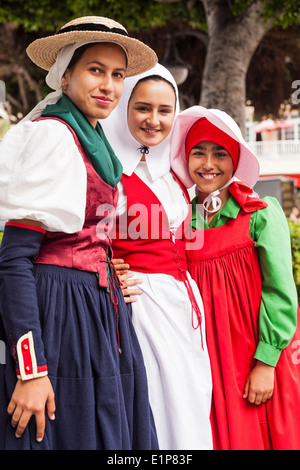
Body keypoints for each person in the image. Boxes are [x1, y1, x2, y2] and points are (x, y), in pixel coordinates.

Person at [0, 16, 159, 450]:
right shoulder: (53, 135)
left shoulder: (95, 141)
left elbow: (86, 237)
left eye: (118, 74)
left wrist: (108, 269)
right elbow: (14, 260)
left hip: (98, 313)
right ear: (65, 75)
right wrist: (30, 369)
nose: (108, 84)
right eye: (95, 70)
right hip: (61, 316)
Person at [170, 105, 300, 450]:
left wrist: (266, 362)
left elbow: (280, 291)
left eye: (220, 153)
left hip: (255, 357)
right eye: (198, 153)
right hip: (207, 362)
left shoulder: (260, 213)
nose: (208, 164)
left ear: (236, 159)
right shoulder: (181, 221)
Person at [100, 64, 213, 450]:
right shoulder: (111, 174)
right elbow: (81, 238)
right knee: (159, 407)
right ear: (123, 109)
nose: (154, 120)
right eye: (142, 108)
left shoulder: (174, 170)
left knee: (193, 399)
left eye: (165, 110)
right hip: (142, 305)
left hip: (184, 301)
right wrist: (105, 265)